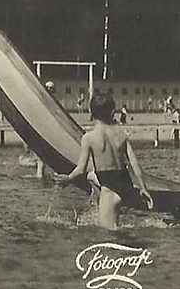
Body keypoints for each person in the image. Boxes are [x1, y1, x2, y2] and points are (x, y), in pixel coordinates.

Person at [65, 93, 153, 230]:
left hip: (109, 190)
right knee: (90, 176)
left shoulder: (88, 138)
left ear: (91, 112)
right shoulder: (121, 134)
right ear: (112, 112)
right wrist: (143, 188)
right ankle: (103, 203)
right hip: (126, 185)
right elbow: (135, 164)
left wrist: (67, 179)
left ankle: (106, 204)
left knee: (109, 234)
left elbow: (80, 170)